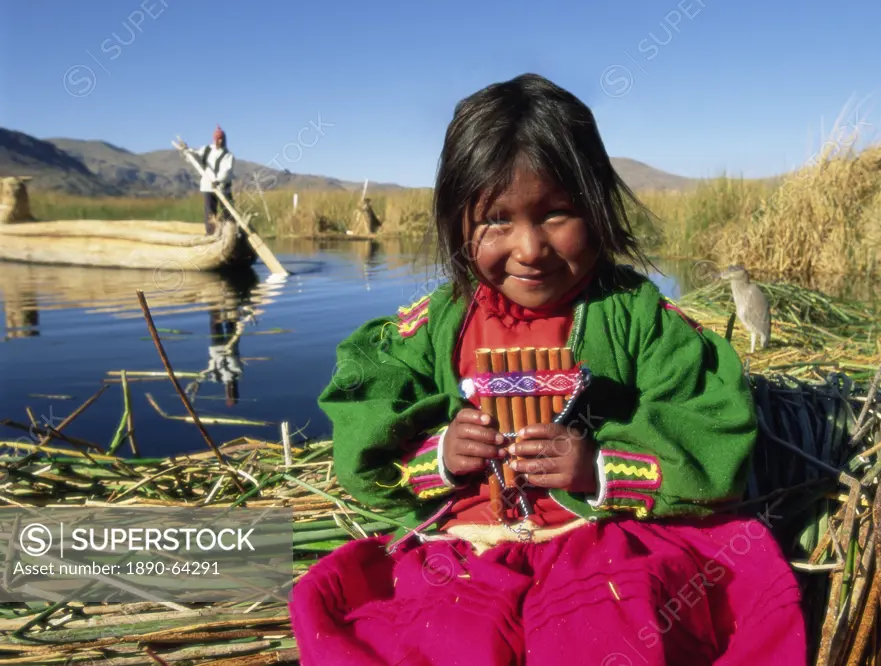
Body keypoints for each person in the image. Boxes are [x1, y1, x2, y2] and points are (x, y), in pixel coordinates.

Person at [289, 73, 806, 665]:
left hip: (605, 542)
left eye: (556, 213)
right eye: (496, 221)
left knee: (609, 638)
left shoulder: (639, 318)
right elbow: (365, 426)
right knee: (431, 639)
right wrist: (440, 454)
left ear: (597, 207)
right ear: (457, 223)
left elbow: (711, 430)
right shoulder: (435, 324)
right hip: (469, 548)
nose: (530, 248)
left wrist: (596, 466)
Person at [187, 125, 235, 234]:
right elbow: (195, 156)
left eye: (222, 139)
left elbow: (227, 170)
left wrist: (218, 181)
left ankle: (232, 232)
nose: (220, 141)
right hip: (208, 186)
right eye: (218, 139)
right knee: (210, 212)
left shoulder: (228, 155)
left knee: (228, 211)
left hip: (223, 188)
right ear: (214, 139)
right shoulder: (206, 150)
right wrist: (186, 150)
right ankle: (211, 233)